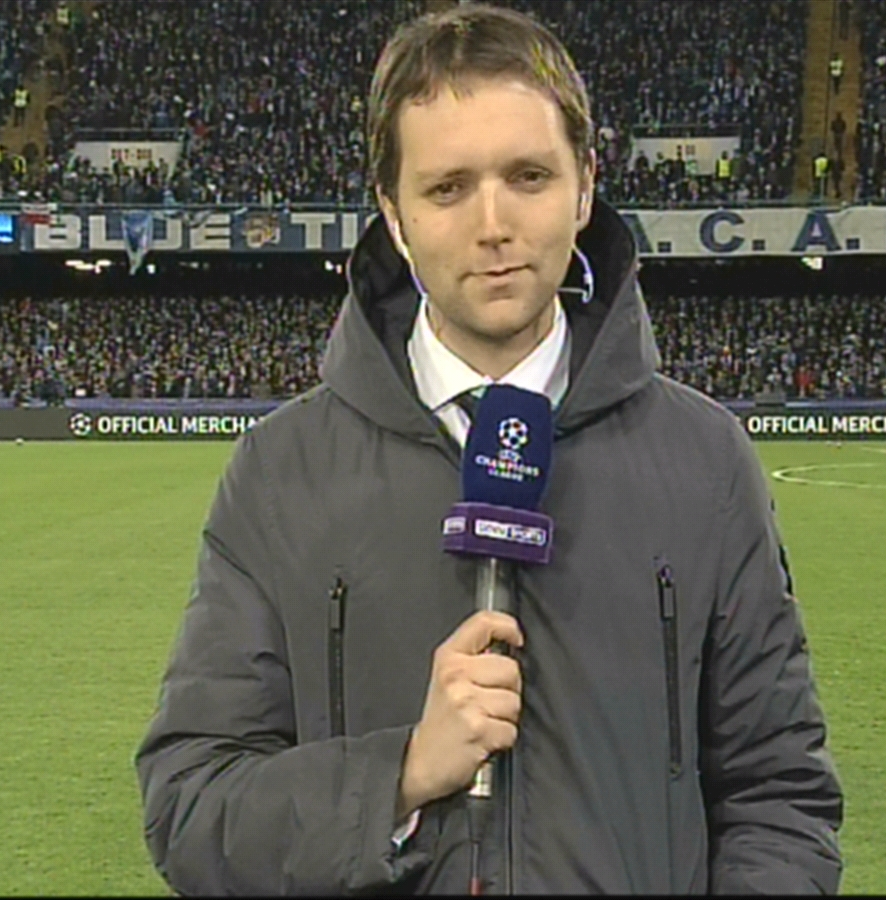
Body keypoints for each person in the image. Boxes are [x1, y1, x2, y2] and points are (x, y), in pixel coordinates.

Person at [135, 3, 843, 895]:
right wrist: (398, 775)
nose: (494, 223)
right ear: (392, 213)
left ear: (585, 187)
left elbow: (779, 798)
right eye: (447, 188)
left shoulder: (703, 460)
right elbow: (192, 808)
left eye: (528, 176)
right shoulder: (282, 473)